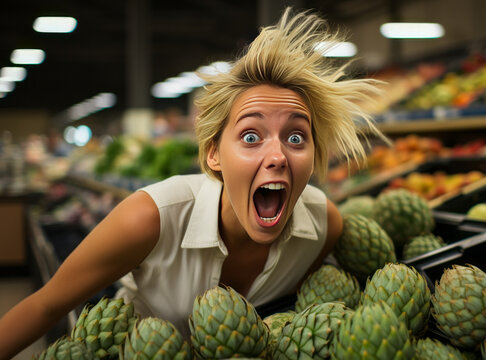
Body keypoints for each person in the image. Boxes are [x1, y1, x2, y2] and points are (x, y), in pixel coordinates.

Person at [0, 7, 383, 358]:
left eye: (296, 137)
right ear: (213, 154)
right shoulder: (151, 217)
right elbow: (46, 305)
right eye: (251, 137)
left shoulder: (322, 226)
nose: (278, 156)